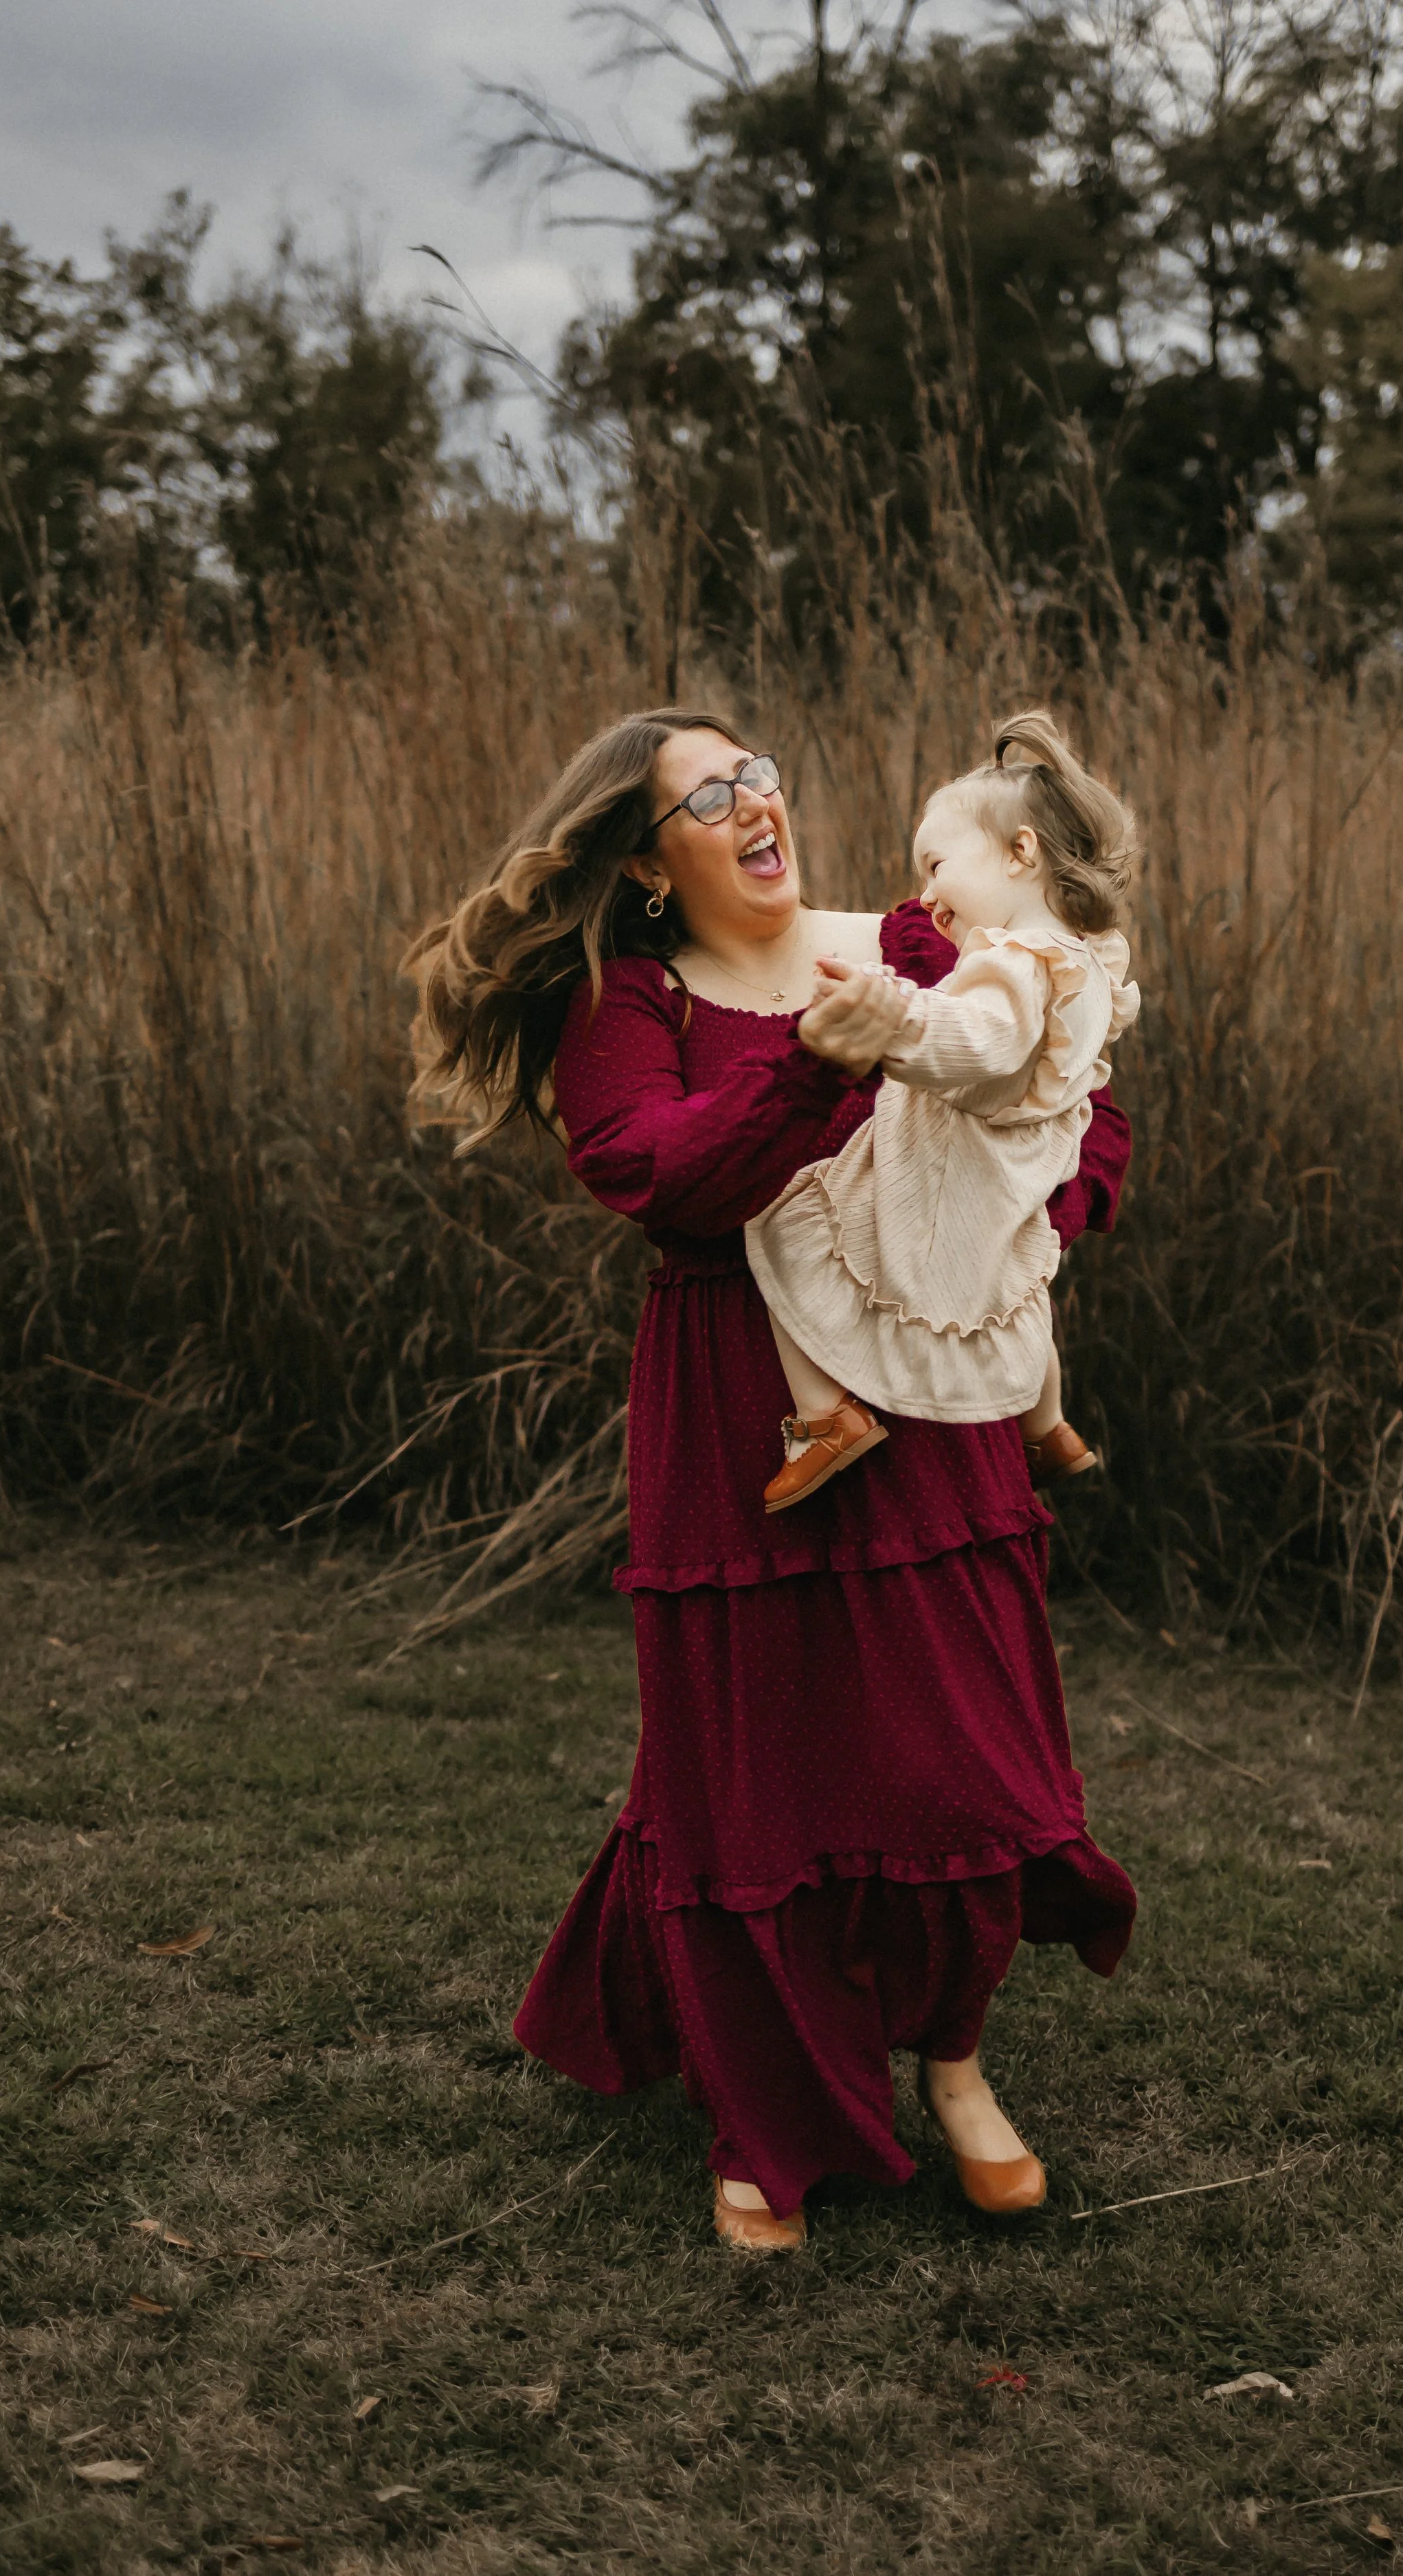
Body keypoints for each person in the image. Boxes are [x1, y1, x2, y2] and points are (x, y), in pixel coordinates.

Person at [407, 708, 1138, 2253]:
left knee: (962, 1755)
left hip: (927, 1393)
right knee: (764, 1781)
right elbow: (661, 1175)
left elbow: (1062, 1080)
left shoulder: (900, 943)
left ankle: (954, 2066)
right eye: (708, 797)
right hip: (744, 1409)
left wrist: (1032, 1222)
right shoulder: (631, 1001)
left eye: (759, 775)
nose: (756, 803)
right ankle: (773, 2110)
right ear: (647, 863)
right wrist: (812, 1069)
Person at [744, 710, 1140, 1514]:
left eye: (936, 865)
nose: (925, 894)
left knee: (783, 1224)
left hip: (952, 1168)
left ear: (1020, 852)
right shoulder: (1086, 961)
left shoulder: (1015, 963)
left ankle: (824, 1419)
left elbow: (978, 1041)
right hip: (1014, 1176)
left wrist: (889, 1014)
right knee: (1017, 1289)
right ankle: (1047, 1426)